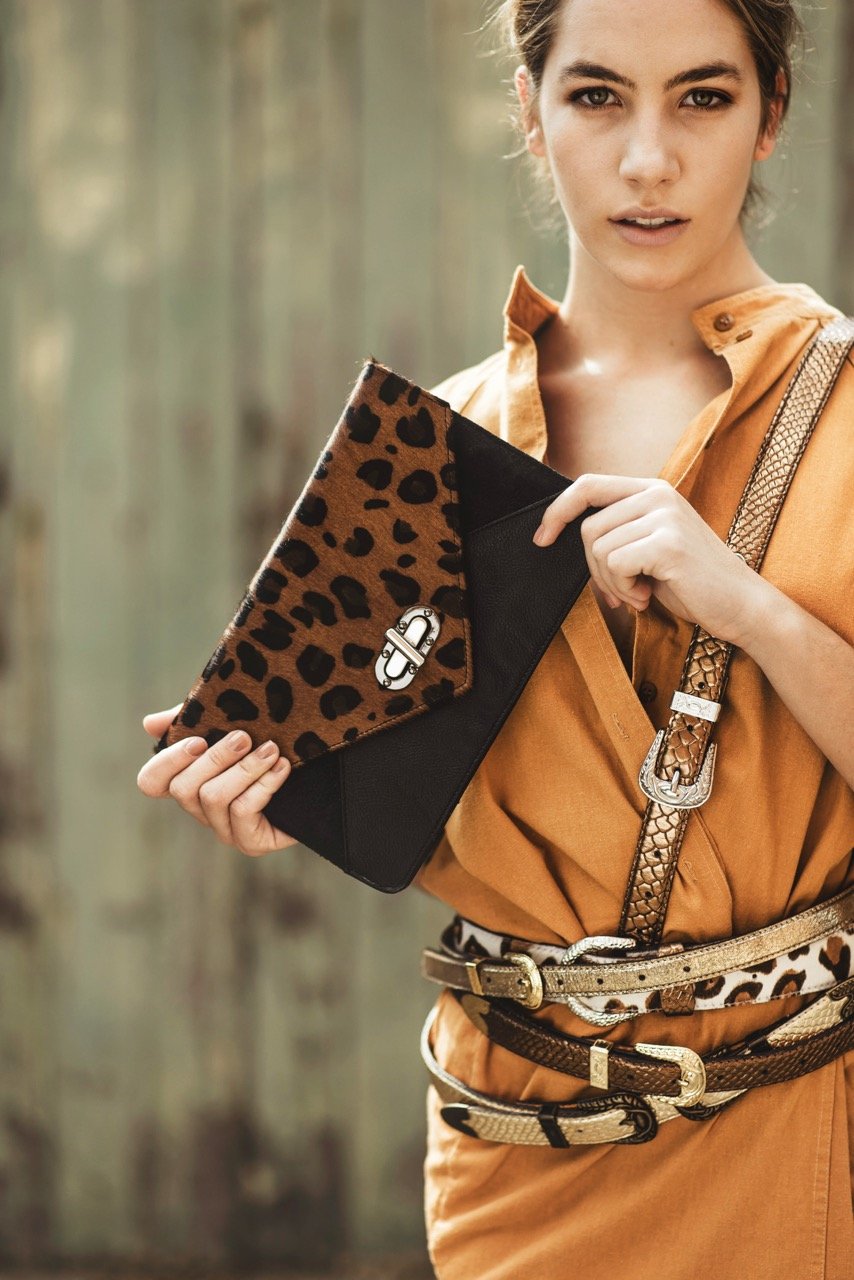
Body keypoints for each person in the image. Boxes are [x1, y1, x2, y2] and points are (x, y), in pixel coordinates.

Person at [138, 0, 854, 1276]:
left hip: (796, 1122)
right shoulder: (425, 459)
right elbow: (376, 779)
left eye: (701, 97)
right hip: (513, 1143)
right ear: (526, 113)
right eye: (593, 97)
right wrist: (271, 790)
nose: (647, 160)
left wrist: (746, 603)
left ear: (770, 115)